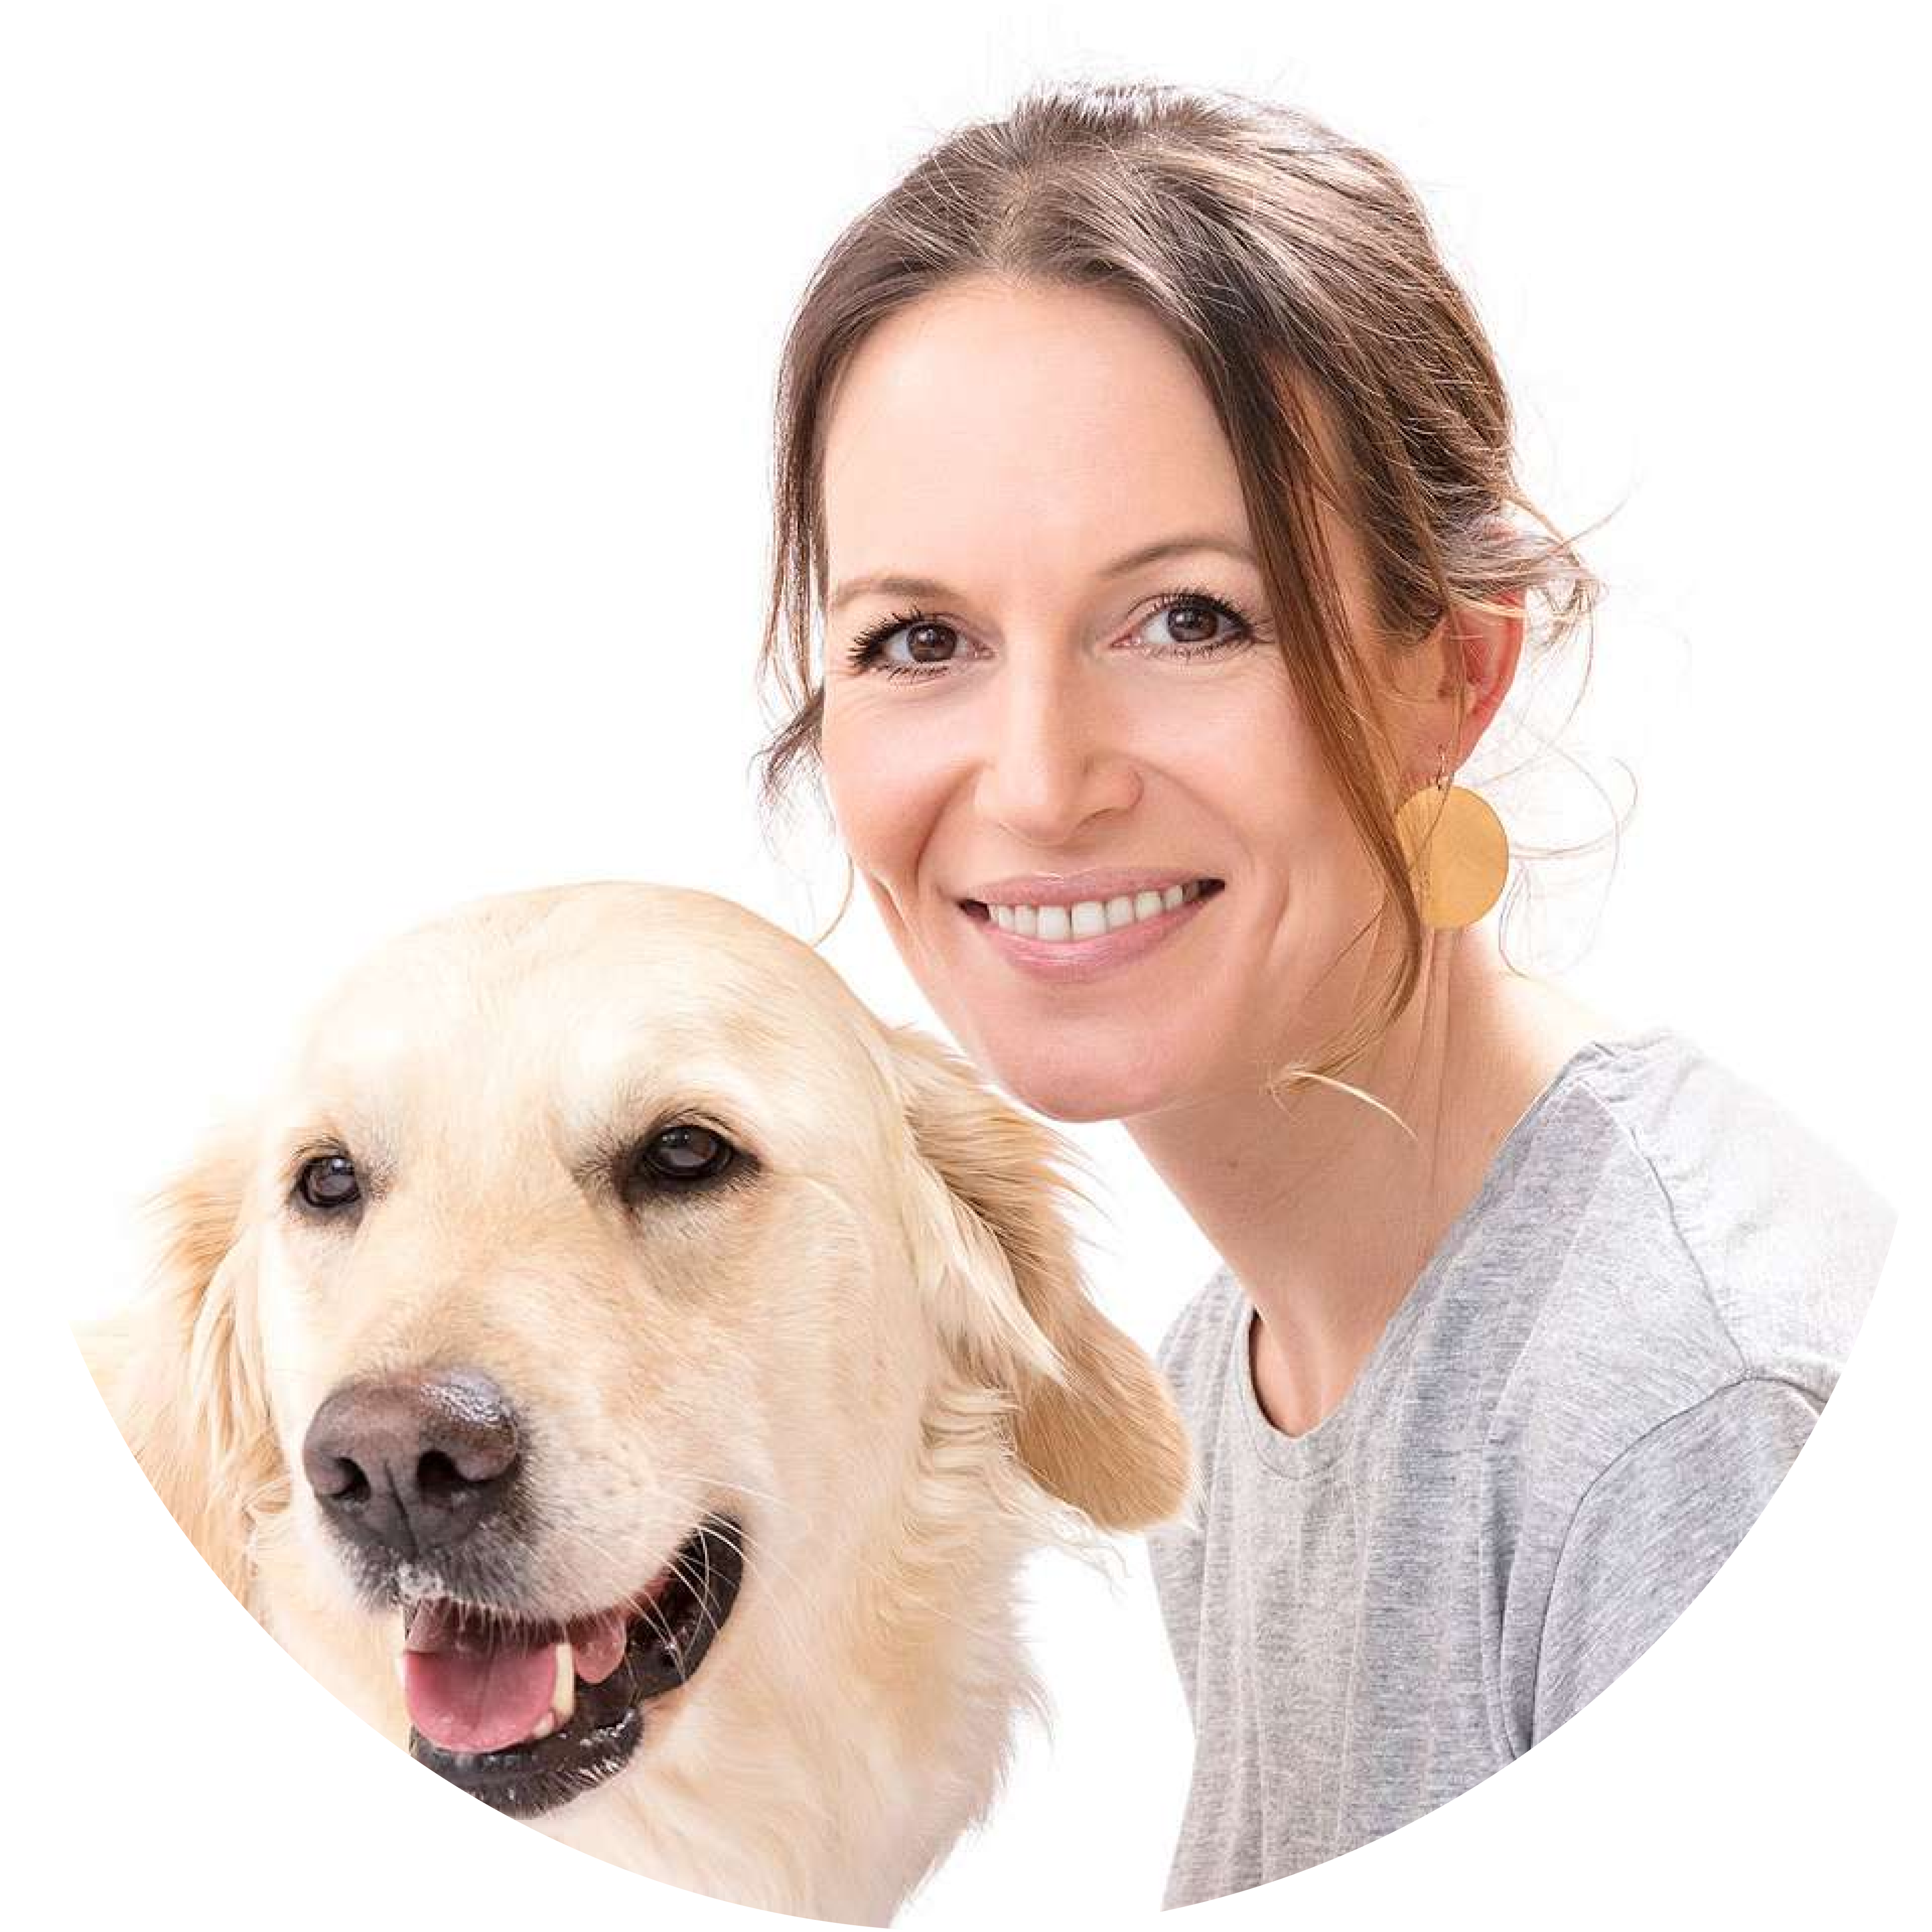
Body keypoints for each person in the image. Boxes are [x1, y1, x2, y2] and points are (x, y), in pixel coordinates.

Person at [748, 78, 1893, 1904]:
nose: (1039, 781)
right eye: (922, 641)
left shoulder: (1690, 1416)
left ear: (1455, 671)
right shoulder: (1229, 1381)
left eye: (1191, 617)